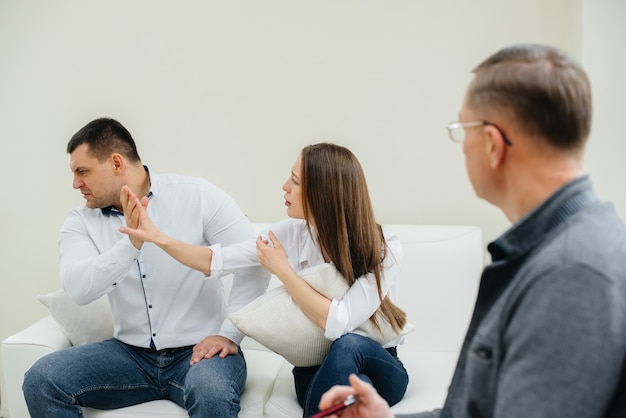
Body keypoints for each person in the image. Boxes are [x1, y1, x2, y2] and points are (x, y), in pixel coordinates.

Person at [318, 43, 626, 417]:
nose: (462, 147)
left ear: (494, 145)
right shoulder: (566, 249)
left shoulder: (571, 274)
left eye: (462, 130)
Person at [119, 142, 410, 417]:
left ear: (322, 193)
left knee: (349, 345)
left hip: (380, 365)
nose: (284, 186)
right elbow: (215, 261)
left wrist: (283, 270)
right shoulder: (289, 235)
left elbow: (339, 323)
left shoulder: (383, 246)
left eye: (295, 182)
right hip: (315, 371)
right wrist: (156, 237)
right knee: (356, 394)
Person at [22, 118, 270, 418]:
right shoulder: (79, 221)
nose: (76, 184)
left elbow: (256, 261)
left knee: (212, 394)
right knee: (40, 380)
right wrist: (131, 244)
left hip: (200, 351)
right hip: (128, 354)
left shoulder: (197, 195)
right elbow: (79, 289)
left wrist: (229, 334)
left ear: (116, 163)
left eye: (82, 171)